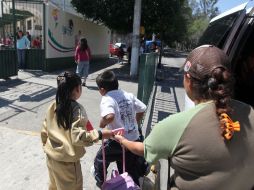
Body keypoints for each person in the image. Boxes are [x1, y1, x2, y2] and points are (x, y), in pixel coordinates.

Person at [115, 45, 254, 190]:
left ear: (188, 80)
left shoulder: (174, 126)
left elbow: (142, 149)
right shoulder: (250, 112)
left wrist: (123, 140)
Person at [41, 71, 115, 190]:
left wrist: (46, 146)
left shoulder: (53, 105)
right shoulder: (76, 109)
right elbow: (78, 137)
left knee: (54, 186)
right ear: (77, 89)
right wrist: (100, 134)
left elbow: (45, 130)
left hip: (51, 157)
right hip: (67, 163)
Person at [93, 70, 149, 188]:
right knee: (128, 168)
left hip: (118, 141)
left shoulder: (107, 98)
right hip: (133, 140)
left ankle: (101, 182)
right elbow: (142, 108)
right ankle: (131, 185)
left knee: (100, 159)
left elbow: (109, 116)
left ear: (102, 90)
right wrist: (135, 122)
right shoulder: (127, 95)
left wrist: (102, 123)